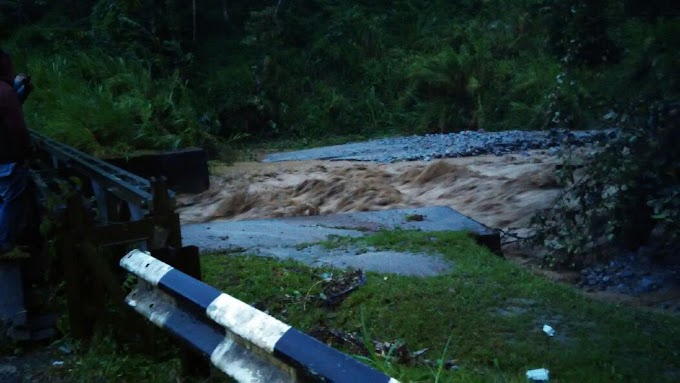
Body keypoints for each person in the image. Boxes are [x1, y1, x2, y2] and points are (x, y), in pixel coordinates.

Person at [0, 48, 32, 254]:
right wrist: (27, 152)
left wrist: (22, 90)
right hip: (6, 157)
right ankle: (4, 245)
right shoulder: (4, 91)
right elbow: (16, 126)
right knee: (11, 200)